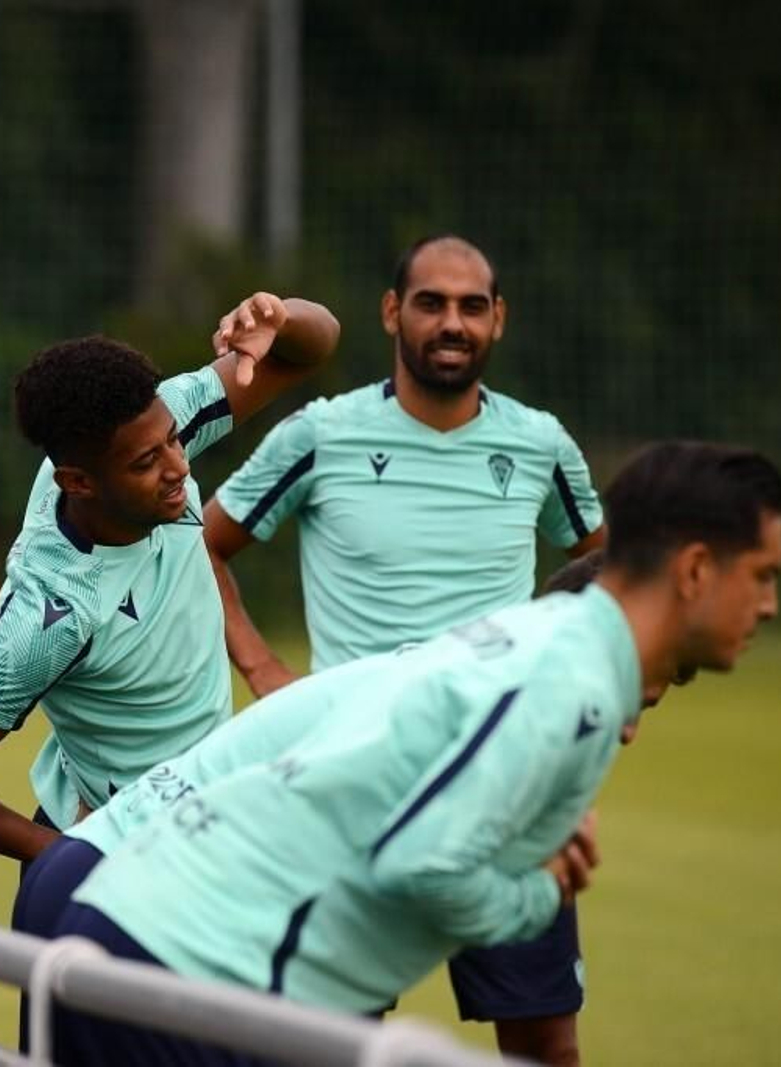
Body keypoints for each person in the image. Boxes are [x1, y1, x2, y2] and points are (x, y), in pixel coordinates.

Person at [45, 442, 781, 1066]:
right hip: (193, 966)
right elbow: (420, 862)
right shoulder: (571, 678)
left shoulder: (545, 639)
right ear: (695, 570)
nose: (770, 605)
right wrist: (537, 895)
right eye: (762, 575)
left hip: (147, 931)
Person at [203, 235, 604, 1061]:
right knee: (329, 1042)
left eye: (471, 306)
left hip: (508, 776)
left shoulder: (541, 444)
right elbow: (200, 545)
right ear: (393, 312)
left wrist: (572, 711)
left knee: (544, 1042)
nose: (452, 322)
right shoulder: (321, 434)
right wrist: (264, 669)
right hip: (355, 774)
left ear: (498, 319)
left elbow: (610, 575)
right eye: (431, 302)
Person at [0, 292, 339, 863]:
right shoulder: (52, 615)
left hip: (202, 829)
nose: (177, 467)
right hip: (125, 862)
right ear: (77, 482)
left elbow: (313, 345)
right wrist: (72, 857)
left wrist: (283, 318)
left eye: (172, 440)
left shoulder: (156, 421)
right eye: (146, 463)